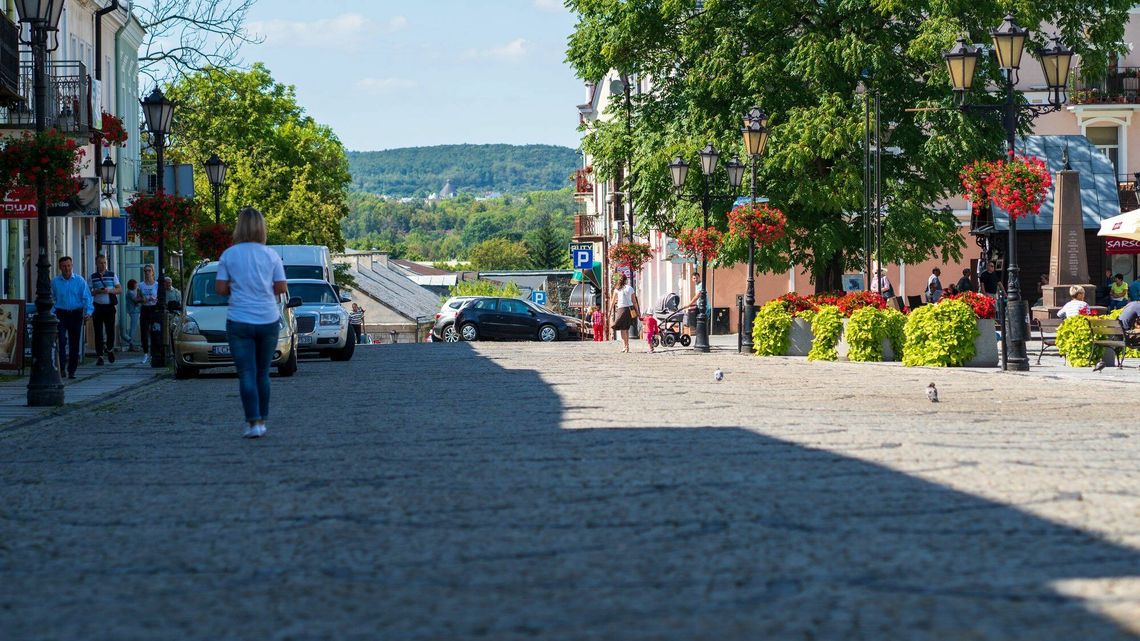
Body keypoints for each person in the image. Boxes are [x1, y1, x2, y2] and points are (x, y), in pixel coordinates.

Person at [215, 206, 288, 439]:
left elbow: (220, 288)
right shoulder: (271, 255)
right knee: (262, 372)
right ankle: (263, 420)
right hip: (267, 318)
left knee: (246, 372)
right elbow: (281, 287)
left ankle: (252, 421)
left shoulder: (229, 255)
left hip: (239, 318)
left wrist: (237, 288)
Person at [51, 256, 93, 380]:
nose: (66, 268)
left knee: (75, 344)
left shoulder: (79, 281)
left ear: (72, 266)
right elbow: (51, 298)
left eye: (68, 266)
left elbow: (87, 298)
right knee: (62, 342)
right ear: (60, 267)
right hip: (61, 314)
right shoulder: (55, 282)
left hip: (76, 314)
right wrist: (52, 312)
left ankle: (72, 370)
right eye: (64, 266)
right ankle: (62, 368)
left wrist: (89, 312)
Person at [89, 254, 121, 366]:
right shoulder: (93, 277)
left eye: (104, 263)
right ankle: (100, 356)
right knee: (98, 331)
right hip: (97, 306)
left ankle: (110, 349)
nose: (103, 265)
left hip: (109, 307)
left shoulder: (112, 275)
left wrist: (110, 290)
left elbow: (119, 289)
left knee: (110, 330)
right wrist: (96, 292)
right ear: (96, 264)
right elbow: (88, 292)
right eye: (100, 263)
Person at [608, 273, 639, 353]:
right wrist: (638, 312)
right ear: (626, 280)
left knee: (622, 329)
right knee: (626, 328)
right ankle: (627, 346)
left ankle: (625, 346)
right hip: (629, 310)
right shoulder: (630, 288)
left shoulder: (617, 289)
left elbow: (612, 302)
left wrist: (610, 311)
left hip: (621, 310)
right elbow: (634, 301)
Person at [136, 265, 159, 364]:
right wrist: (142, 299)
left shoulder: (157, 285)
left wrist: (156, 299)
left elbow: (161, 298)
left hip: (154, 308)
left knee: (155, 331)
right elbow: (137, 299)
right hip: (145, 309)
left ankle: (154, 353)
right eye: (145, 271)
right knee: (144, 332)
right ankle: (145, 353)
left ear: (153, 272)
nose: (147, 273)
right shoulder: (141, 285)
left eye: (149, 271)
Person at [122, 278, 141, 351]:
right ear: (132, 285)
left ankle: (131, 344)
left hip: (134, 311)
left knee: (133, 327)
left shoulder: (131, 292)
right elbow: (136, 300)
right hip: (134, 311)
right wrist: (141, 297)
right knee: (133, 328)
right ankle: (131, 344)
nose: (136, 285)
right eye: (135, 284)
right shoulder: (130, 292)